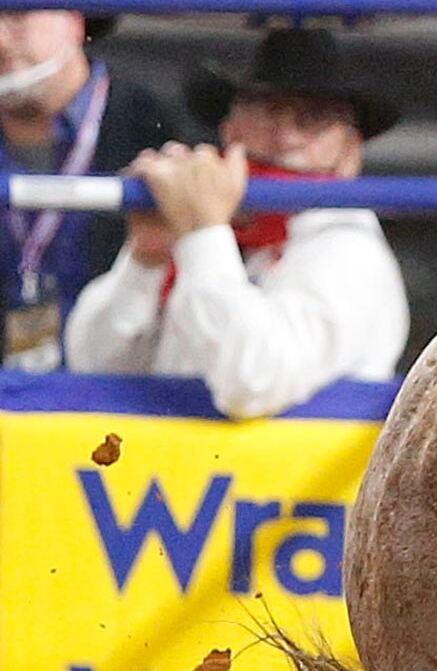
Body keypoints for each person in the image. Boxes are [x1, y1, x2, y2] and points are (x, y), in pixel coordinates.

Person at [66, 28, 409, 417]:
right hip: (171, 474)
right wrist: (147, 258)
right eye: (266, 110)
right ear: (229, 131)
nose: (285, 136)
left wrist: (202, 233)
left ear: (350, 153)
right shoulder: (208, 231)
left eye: (312, 119)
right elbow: (93, 369)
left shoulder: (348, 246)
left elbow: (253, 384)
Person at [0, 0, 186, 371]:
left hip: (121, 395)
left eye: (18, 13)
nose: (1, 40)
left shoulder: (159, 129)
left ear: (75, 16)